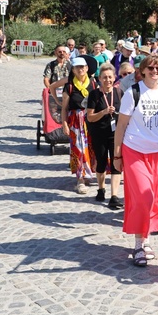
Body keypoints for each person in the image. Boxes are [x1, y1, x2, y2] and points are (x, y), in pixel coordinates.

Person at [113, 55, 158, 267]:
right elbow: (121, 126)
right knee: (143, 196)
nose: (155, 70)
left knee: (156, 198)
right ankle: (139, 243)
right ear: (142, 70)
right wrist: (117, 154)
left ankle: (146, 239)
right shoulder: (133, 93)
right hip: (135, 149)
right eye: (151, 67)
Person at [86, 63, 123, 210]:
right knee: (101, 162)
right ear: (100, 79)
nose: (108, 80)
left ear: (114, 78)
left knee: (116, 163)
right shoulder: (94, 94)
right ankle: (101, 188)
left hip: (115, 134)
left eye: (110, 77)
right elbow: (90, 117)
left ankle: (114, 196)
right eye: (104, 77)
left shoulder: (120, 93)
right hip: (99, 133)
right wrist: (104, 112)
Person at [61, 57, 97, 194]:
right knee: (79, 150)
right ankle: (80, 179)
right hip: (75, 122)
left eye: (83, 67)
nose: (81, 69)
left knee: (91, 149)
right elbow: (64, 108)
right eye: (77, 67)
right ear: (73, 70)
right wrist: (64, 124)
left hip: (91, 120)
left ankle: (88, 174)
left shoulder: (93, 84)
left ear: (87, 68)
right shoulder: (69, 86)